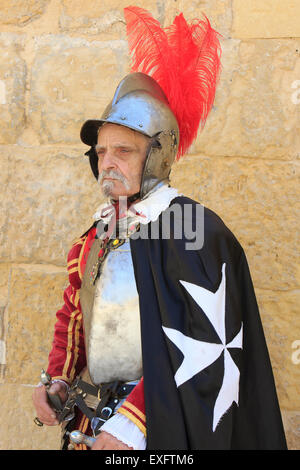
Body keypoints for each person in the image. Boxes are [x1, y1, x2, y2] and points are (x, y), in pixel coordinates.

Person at [32, 7, 287, 450]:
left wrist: (130, 425)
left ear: (157, 155)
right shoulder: (96, 234)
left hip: (159, 427)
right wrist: (56, 380)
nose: (106, 162)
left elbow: (198, 343)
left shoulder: (192, 229)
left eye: (123, 151)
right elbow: (74, 318)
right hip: (96, 425)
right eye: (101, 152)